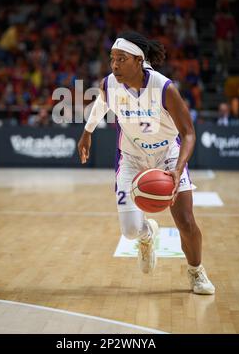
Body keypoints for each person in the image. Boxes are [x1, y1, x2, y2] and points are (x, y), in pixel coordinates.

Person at [78, 31, 215, 295]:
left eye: (121, 59)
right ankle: (146, 235)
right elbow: (100, 104)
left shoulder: (164, 88)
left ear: (139, 61)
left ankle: (196, 272)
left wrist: (177, 169)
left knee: (185, 221)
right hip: (130, 157)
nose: (115, 64)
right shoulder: (110, 84)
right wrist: (87, 131)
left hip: (167, 155)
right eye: (112, 59)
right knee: (129, 231)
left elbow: (188, 133)